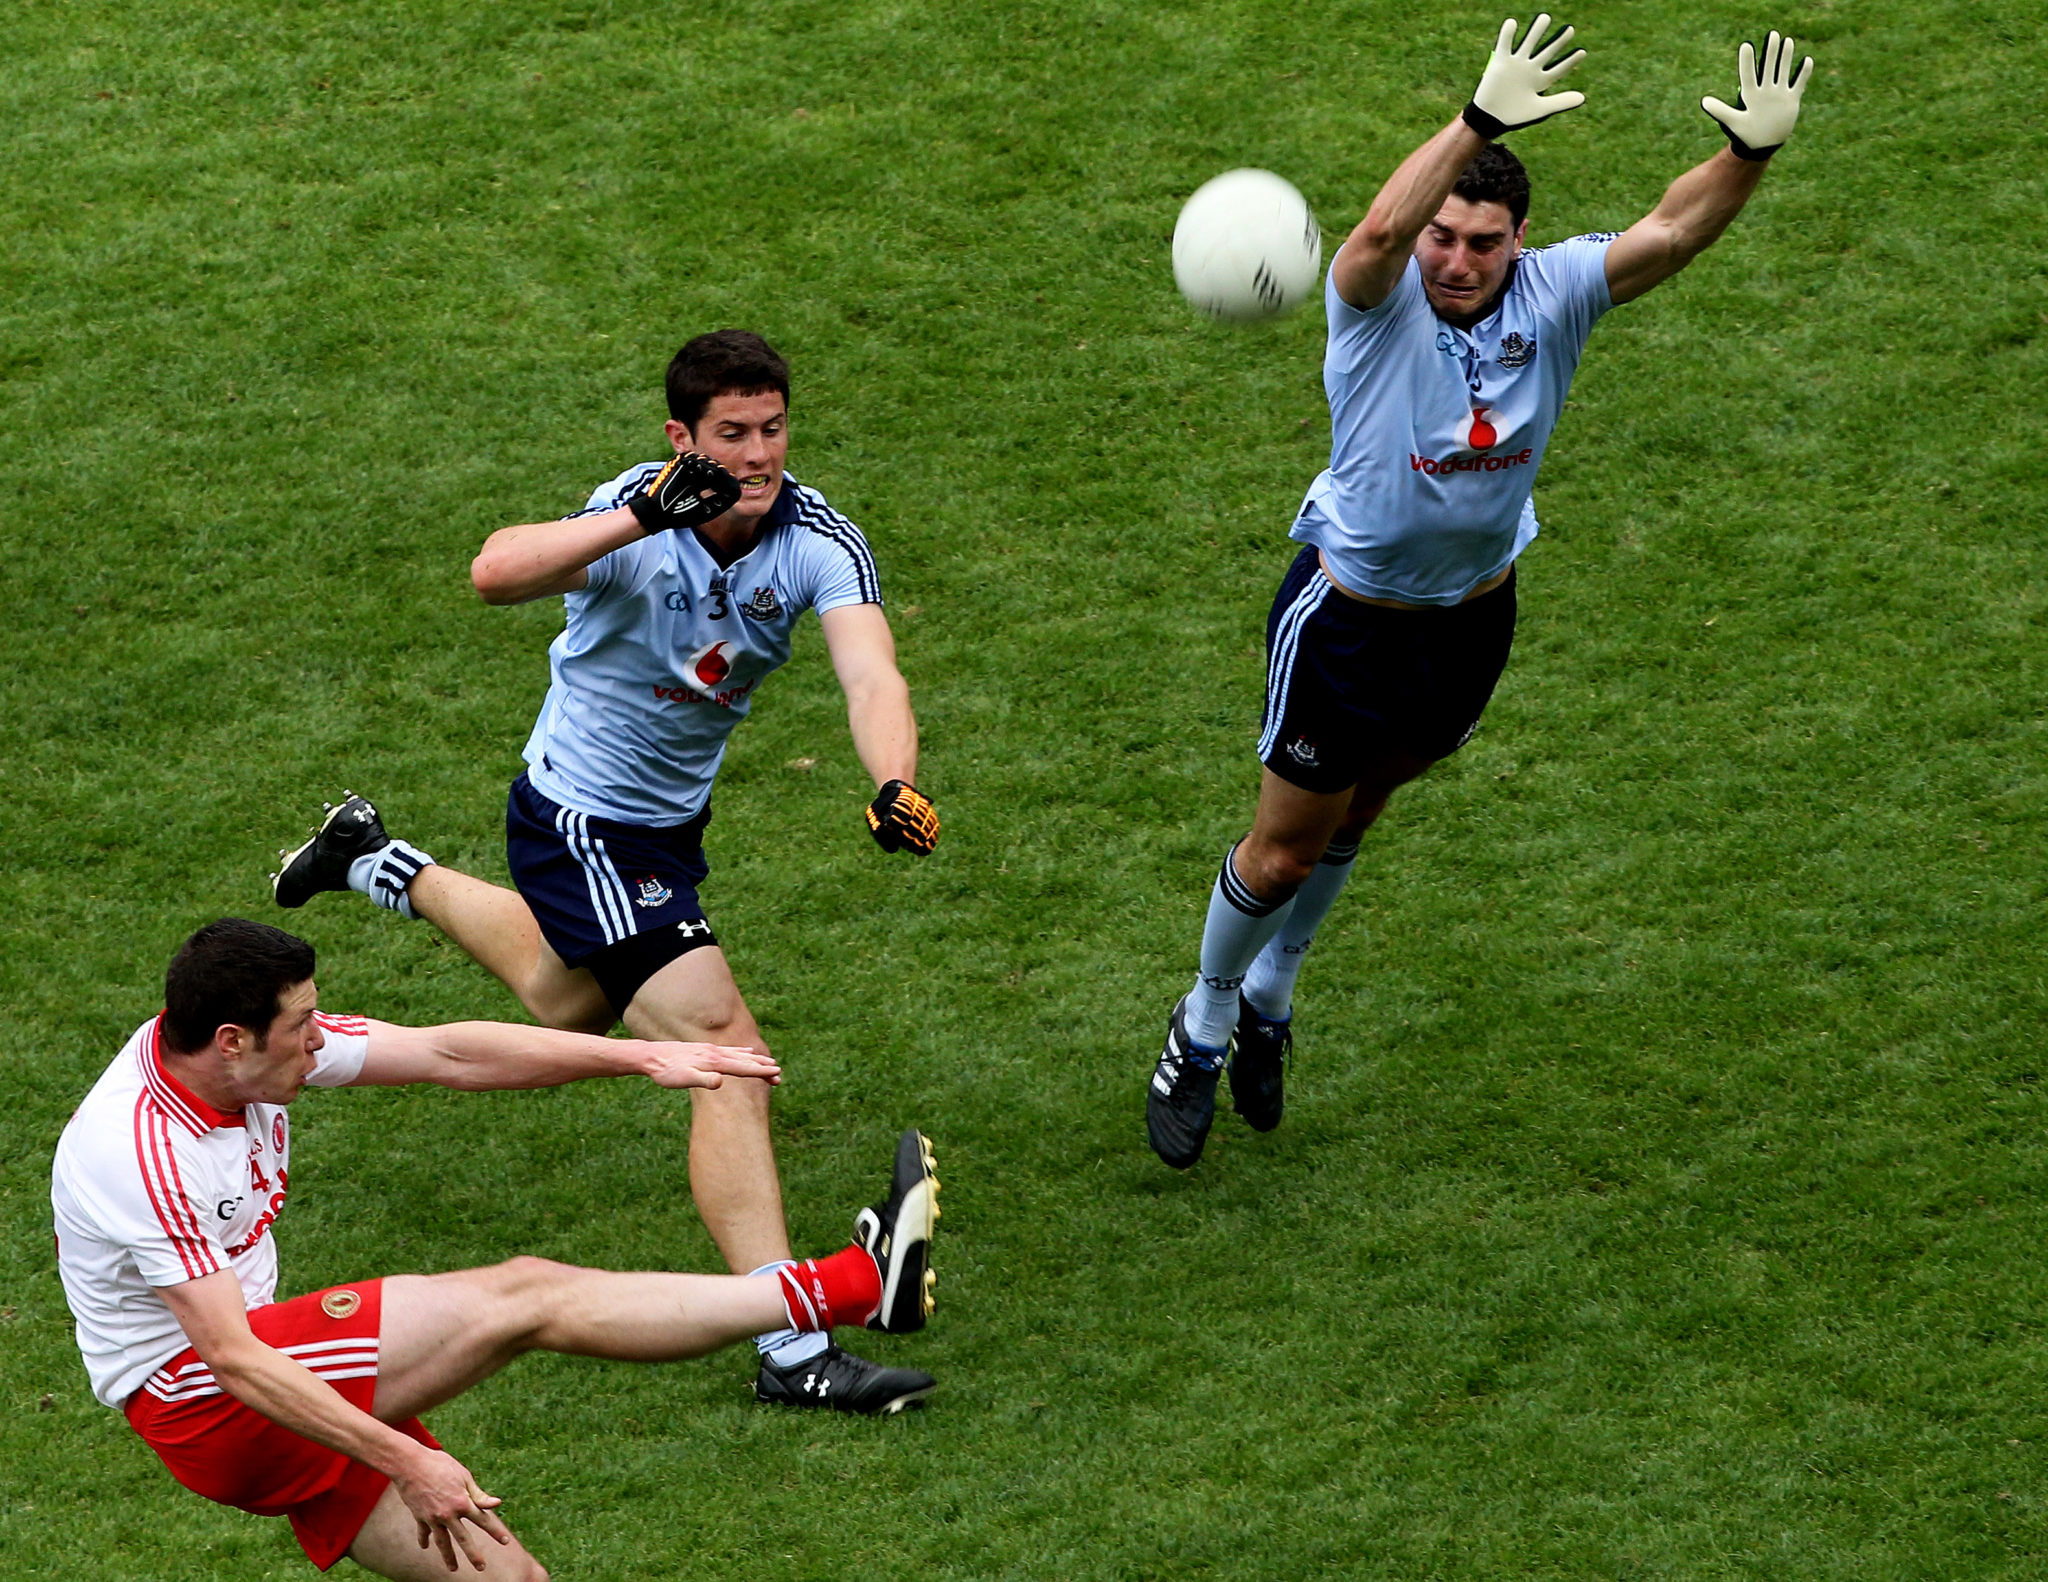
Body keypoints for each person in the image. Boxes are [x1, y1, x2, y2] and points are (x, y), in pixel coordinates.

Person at [1147, 18, 1816, 1167]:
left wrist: (1746, 157)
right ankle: (1202, 1020)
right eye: (1443, 236)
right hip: (1347, 618)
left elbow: (1668, 232)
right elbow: (1370, 231)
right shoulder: (1372, 304)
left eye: (1481, 242)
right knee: (1280, 851)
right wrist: (1472, 124)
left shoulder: (1552, 296)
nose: (1453, 260)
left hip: (1470, 621)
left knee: (1360, 815)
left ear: (1519, 242)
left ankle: (1274, 992)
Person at [271, 329, 942, 1409]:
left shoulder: (819, 539)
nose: (760, 454)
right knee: (724, 1053)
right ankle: (791, 1345)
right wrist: (642, 513)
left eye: (772, 428)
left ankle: (373, 859)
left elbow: (870, 669)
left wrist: (889, 780)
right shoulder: (635, 513)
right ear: (682, 438)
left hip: (665, 828)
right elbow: (493, 572)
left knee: (559, 997)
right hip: (579, 821)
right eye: (732, 434)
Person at [52, 918, 940, 1579]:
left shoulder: (236, 1055)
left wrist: (646, 1060)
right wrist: (407, 1458)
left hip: (272, 1388)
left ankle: (853, 1287)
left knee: (511, 1579)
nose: (322, 1040)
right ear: (233, 1041)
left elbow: (448, 1053)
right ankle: (855, 1285)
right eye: (304, 1027)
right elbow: (234, 1359)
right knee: (527, 1296)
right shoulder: (137, 1151)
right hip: (214, 1399)